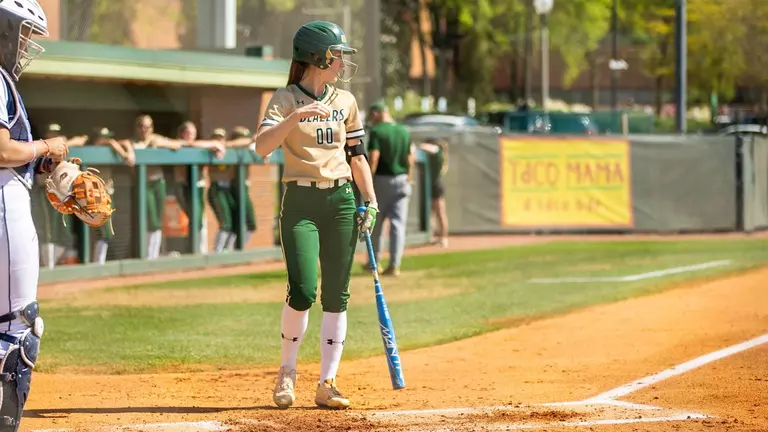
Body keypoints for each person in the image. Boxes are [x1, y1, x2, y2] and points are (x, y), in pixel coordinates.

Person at [254, 21, 377, 410]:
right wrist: (296, 117)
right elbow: (262, 147)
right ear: (317, 57)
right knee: (304, 289)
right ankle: (287, 371)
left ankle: (328, 382)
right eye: (336, 55)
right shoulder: (285, 98)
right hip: (301, 202)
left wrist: (370, 201)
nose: (341, 62)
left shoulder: (346, 102)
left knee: (337, 294)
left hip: (341, 200)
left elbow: (357, 157)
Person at [0, 1, 69, 429]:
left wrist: (38, 163)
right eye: (23, 33)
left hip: (9, 194)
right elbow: (1, 150)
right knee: (19, 325)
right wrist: (46, 146)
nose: (27, 44)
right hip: (3, 205)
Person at [118, 115, 182, 259]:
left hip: (158, 181)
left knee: (157, 219)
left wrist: (160, 143)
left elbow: (177, 144)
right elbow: (118, 142)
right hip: (143, 183)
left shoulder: (155, 139)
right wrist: (129, 150)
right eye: (141, 126)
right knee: (150, 218)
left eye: (147, 127)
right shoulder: (132, 142)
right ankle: (147, 255)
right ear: (136, 128)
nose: (144, 130)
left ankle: (154, 254)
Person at [365, 101, 415, 276]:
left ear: (376, 114)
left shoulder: (377, 131)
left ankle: (374, 263)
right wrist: (410, 177)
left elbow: (374, 157)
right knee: (398, 225)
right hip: (402, 179)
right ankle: (394, 264)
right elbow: (410, 157)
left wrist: (368, 181)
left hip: (382, 179)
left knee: (376, 223)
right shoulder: (403, 130)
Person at [33, 123, 87, 268]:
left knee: (62, 229)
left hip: (61, 193)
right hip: (45, 192)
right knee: (48, 229)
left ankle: (53, 263)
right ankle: (49, 265)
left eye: (56, 133)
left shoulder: (62, 148)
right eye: (51, 133)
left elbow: (75, 144)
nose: (54, 135)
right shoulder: (42, 146)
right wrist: (72, 141)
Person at [208, 126, 258, 252]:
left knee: (240, 223)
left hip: (231, 188)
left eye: (221, 138)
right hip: (220, 188)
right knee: (227, 223)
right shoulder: (219, 148)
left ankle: (232, 249)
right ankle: (219, 251)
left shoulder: (245, 150)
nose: (219, 140)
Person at [419, 138, 449, 248]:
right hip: (429, 186)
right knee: (430, 214)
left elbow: (424, 147)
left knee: (440, 213)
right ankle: (430, 236)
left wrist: (421, 145)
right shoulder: (433, 154)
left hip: (436, 186)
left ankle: (444, 238)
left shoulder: (438, 151)